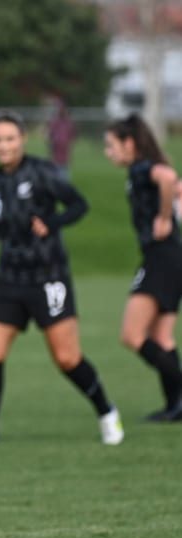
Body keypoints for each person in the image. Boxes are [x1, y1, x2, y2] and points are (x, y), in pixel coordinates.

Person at [0, 109, 123, 447]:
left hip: (48, 277)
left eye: (10, 138)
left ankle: (107, 412)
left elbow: (79, 205)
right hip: (8, 279)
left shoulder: (43, 172)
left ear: (22, 139)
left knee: (67, 357)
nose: (3, 146)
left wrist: (52, 221)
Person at [104, 114, 182, 421]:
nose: (108, 152)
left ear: (130, 144)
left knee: (132, 335)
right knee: (162, 339)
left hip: (162, 257)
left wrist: (164, 217)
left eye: (111, 145)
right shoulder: (136, 172)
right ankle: (175, 405)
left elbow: (166, 176)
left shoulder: (140, 169)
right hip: (171, 257)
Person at [47, 97, 76, 177]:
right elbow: (50, 138)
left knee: (64, 176)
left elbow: (71, 139)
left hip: (65, 155)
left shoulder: (69, 124)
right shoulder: (54, 123)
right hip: (55, 156)